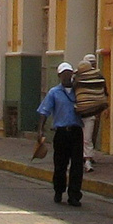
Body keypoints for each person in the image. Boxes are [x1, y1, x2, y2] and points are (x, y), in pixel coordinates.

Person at [36, 62, 85, 206]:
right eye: (64, 74)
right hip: (61, 133)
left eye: (69, 73)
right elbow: (44, 111)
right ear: (59, 76)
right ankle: (59, 190)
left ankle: (74, 195)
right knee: (60, 164)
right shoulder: (54, 92)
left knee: (77, 165)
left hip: (76, 131)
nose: (66, 76)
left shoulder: (79, 91)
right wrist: (40, 129)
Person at [73, 54, 109, 173]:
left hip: (90, 114)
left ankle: (88, 160)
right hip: (77, 114)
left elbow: (103, 92)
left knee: (87, 138)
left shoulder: (96, 77)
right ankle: (79, 159)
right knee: (82, 139)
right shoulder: (76, 79)